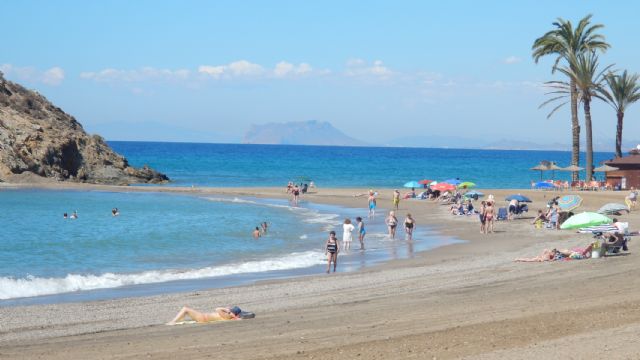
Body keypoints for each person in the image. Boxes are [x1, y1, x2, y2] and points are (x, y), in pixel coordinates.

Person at [167, 306, 242, 325]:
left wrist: (225, 309)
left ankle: (173, 321)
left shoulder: (227, 316)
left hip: (203, 318)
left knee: (185, 309)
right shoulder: (229, 317)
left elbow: (217, 309)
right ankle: (178, 319)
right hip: (203, 318)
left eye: (231, 309)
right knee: (186, 311)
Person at [515, 244, 593, 262]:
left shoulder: (546, 254)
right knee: (572, 253)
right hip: (567, 254)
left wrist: (520, 259)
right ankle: (588, 251)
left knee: (570, 252)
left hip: (564, 254)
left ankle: (588, 251)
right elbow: (530, 260)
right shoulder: (545, 256)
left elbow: (530, 260)